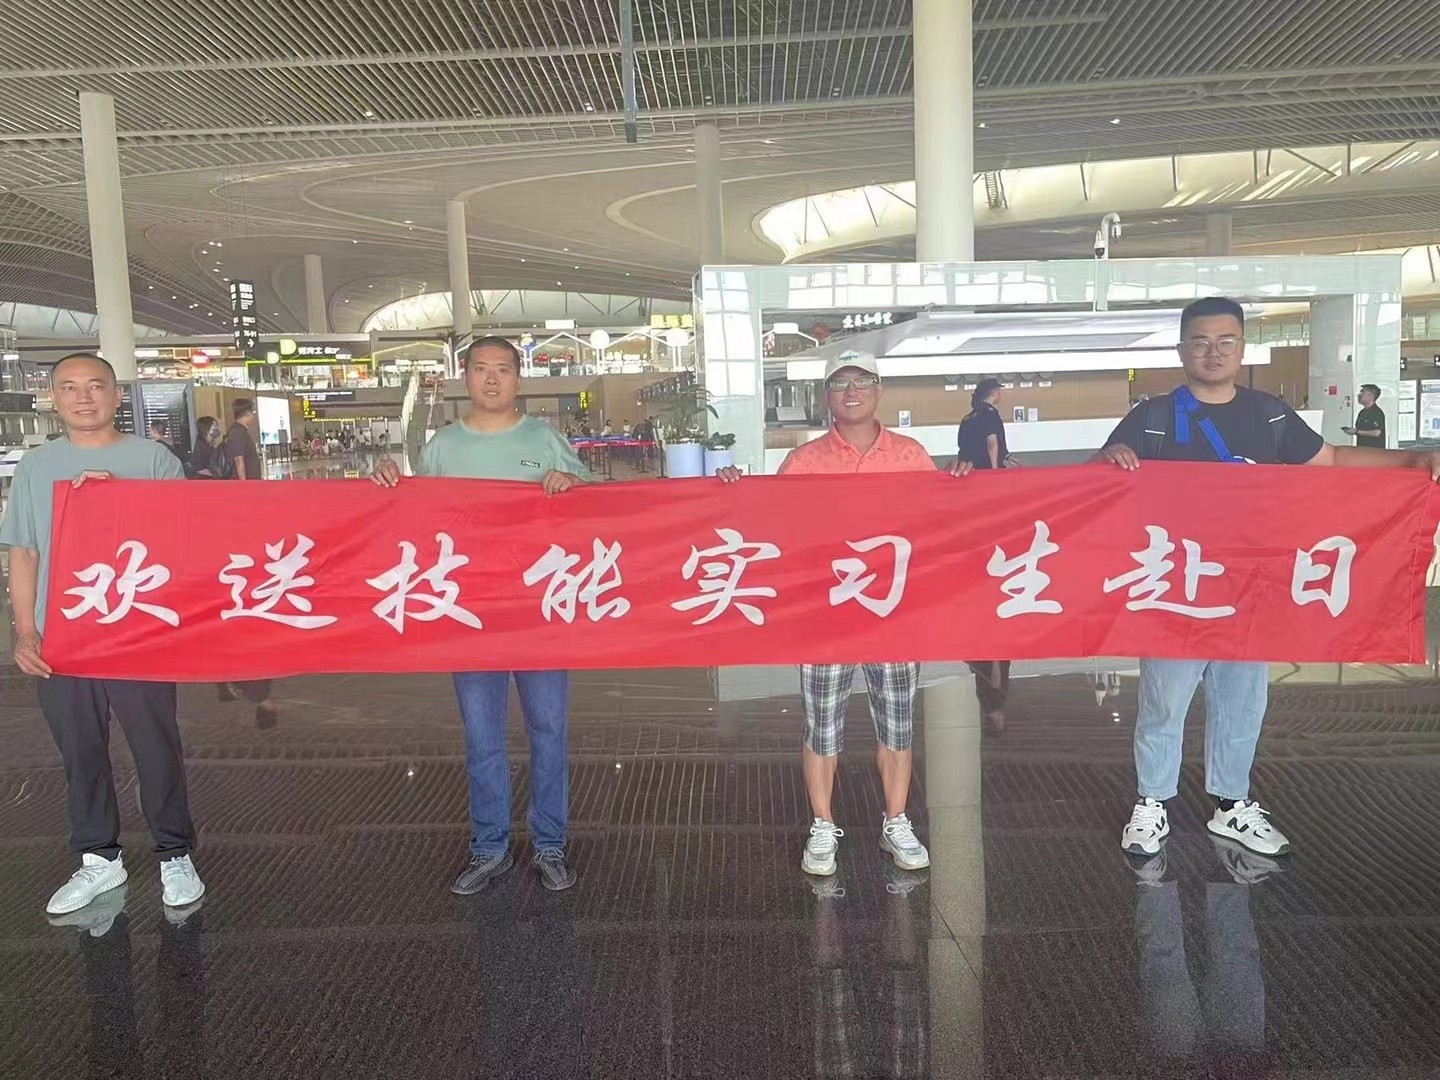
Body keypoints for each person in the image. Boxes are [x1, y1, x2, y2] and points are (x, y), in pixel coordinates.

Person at [1097, 296, 1440, 862]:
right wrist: (1109, 459)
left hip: (1248, 589)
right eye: (1200, 342)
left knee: (1242, 704)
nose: (1213, 352)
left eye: (1225, 341)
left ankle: (1232, 804)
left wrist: (1411, 462)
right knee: (1164, 703)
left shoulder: (1268, 415)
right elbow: (1092, 486)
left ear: (1241, 348)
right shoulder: (1151, 417)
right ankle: (1152, 801)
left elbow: (1330, 461)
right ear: (1181, 349)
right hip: (1174, 590)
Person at [717, 350, 972, 878]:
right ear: (827, 396)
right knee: (822, 727)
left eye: (862, 381)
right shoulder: (804, 462)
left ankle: (896, 820)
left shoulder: (910, 456)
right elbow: (768, 526)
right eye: (840, 383)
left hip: (893, 616)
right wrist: (734, 490)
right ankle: (822, 825)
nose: (851, 391)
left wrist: (964, 484)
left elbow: (941, 523)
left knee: (897, 725)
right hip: (825, 617)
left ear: (879, 390)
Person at [372, 336, 591, 894]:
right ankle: (489, 847)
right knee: (483, 736)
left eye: (503, 369)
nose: (492, 379)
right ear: (464, 376)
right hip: (470, 614)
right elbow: (413, 518)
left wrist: (571, 485)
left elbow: (596, 509)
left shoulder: (544, 439)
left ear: (519, 378)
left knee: (548, 730)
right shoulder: (443, 447)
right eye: (481, 369)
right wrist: (387, 484)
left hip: (539, 613)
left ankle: (550, 843)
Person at [0, 353, 205, 916]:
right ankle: (98, 857)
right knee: (80, 750)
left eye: (95, 386)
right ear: (54, 398)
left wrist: (121, 502)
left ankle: (174, 853)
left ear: (117, 396)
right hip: (64, 640)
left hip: (138, 634)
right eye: (69, 387)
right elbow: (24, 552)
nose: (83, 397)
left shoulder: (154, 460)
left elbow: (186, 539)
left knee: (155, 746)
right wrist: (26, 631)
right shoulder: (37, 466)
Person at [956, 378, 1016, 732]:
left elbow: (964, 450)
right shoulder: (990, 415)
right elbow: (993, 444)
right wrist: (996, 474)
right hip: (984, 479)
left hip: (967, 480)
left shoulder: (968, 418)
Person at [217, 398, 278, 726]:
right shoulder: (238, 434)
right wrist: (246, 496)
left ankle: (230, 679)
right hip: (244, 505)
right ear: (248, 414)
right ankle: (240, 684)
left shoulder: (238, 432)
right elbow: (240, 463)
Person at [956, 378, 1015, 470]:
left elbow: (961, 444)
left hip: (968, 469)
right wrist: (994, 469)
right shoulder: (990, 414)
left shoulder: (967, 418)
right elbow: (992, 442)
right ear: (994, 392)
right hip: (986, 467)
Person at [1343, 383, 1386, 449]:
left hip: (1374, 451)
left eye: (1362, 392)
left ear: (1370, 395)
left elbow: (1376, 432)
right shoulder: (1362, 413)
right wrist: (1354, 431)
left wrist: (1356, 431)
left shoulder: (1377, 412)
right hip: (1362, 449)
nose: (1359, 395)